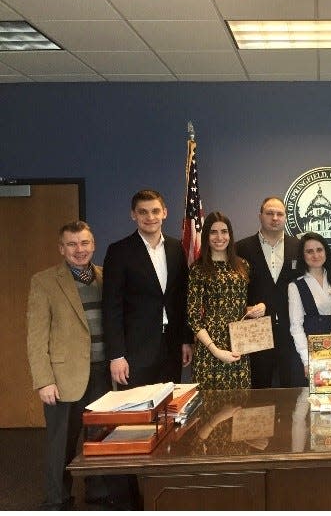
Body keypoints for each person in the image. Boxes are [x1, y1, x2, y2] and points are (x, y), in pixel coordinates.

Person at [26, 221, 113, 510]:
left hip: (103, 373)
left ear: (93, 244)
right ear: (61, 248)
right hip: (63, 378)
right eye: (72, 244)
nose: (79, 250)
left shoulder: (105, 277)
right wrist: (43, 380)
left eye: (85, 243)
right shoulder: (44, 281)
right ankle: (57, 500)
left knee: (99, 438)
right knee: (60, 443)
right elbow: (36, 337)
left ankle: (98, 493)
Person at [103, 189, 193, 389]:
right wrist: (116, 355)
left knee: (169, 411)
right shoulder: (119, 252)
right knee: (136, 415)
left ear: (165, 212)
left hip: (171, 347)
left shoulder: (176, 248)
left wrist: (186, 340)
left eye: (155, 211)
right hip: (135, 352)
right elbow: (112, 307)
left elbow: (182, 298)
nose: (150, 217)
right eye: (143, 212)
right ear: (133, 214)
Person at [187, 211, 266, 390]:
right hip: (210, 350)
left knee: (239, 409)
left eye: (224, 231)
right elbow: (192, 316)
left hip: (239, 346)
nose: (219, 237)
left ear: (230, 235)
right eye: (213, 232)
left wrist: (259, 308)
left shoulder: (242, 265)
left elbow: (244, 304)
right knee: (209, 411)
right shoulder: (198, 269)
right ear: (206, 235)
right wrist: (215, 351)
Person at [236, 196, 304, 388]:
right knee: (258, 389)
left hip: (290, 328)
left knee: (291, 389)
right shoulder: (241, 248)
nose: (275, 218)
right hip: (255, 329)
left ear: (285, 217)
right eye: (269, 213)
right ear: (260, 216)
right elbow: (233, 290)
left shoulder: (298, 248)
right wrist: (245, 307)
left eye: (279, 214)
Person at [288, 232, 331, 376]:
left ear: (326, 252)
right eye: (309, 251)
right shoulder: (296, 285)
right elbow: (296, 326)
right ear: (302, 256)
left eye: (319, 250)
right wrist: (307, 360)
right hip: (311, 352)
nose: (315, 255)